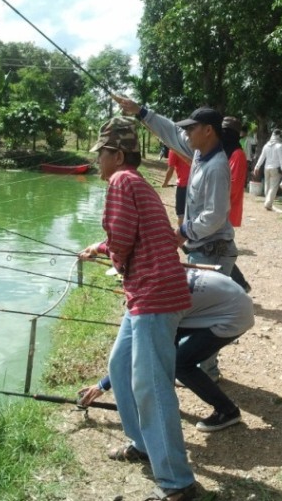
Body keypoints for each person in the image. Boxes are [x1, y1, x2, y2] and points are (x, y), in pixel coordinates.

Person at [78, 117, 197, 501]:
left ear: (116, 154)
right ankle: (143, 444)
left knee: (153, 388)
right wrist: (101, 248)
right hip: (150, 295)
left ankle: (178, 485)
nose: (98, 162)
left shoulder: (120, 181)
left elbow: (122, 241)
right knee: (119, 365)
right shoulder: (139, 185)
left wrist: (112, 253)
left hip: (153, 297)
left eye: (101, 155)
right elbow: (132, 233)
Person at [113, 96, 236, 383]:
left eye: (192, 128)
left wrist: (181, 233)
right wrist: (141, 112)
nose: (187, 133)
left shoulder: (217, 166)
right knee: (197, 312)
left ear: (208, 130)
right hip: (201, 248)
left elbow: (215, 216)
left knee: (205, 315)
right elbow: (170, 132)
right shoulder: (198, 153)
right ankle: (199, 368)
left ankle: (207, 374)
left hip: (213, 250)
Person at [79, 267, 254, 432]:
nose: (124, 283)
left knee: (181, 364)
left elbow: (145, 348)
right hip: (229, 301)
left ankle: (228, 412)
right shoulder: (162, 272)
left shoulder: (160, 298)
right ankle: (166, 394)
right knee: (171, 347)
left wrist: (103, 385)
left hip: (233, 316)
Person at [222, 116, 251, 293]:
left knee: (221, 250)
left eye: (226, 132)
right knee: (218, 250)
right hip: (219, 209)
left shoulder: (238, 155)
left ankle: (240, 284)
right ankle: (239, 285)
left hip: (226, 209)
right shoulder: (225, 152)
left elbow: (233, 185)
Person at [254, 129, 282, 210]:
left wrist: (257, 167)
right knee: (273, 187)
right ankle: (268, 204)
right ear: (279, 136)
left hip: (266, 168)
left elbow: (262, 157)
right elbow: (281, 160)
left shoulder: (266, 145)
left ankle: (267, 201)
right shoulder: (279, 146)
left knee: (267, 186)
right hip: (275, 168)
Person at [163, 148, 191, 226]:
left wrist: (165, 183)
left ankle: (182, 236)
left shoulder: (174, 149)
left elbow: (170, 169)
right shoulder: (191, 146)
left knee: (181, 215)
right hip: (196, 185)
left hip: (183, 187)